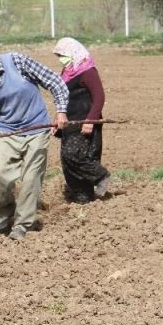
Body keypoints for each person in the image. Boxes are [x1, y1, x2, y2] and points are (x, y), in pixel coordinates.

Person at [0, 38, 69, 241]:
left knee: (31, 178)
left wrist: (61, 111)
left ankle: (23, 224)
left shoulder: (17, 62)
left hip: (37, 128)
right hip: (8, 132)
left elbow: (55, 82)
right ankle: (5, 214)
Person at [52, 37, 111, 203]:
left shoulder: (87, 71)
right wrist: (57, 121)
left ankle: (101, 176)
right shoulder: (66, 73)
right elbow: (62, 100)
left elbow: (99, 97)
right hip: (69, 123)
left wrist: (90, 121)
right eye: (59, 56)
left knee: (74, 154)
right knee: (67, 162)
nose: (61, 59)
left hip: (85, 121)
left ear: (73, 52)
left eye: (63, 55)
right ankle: (82, 198)